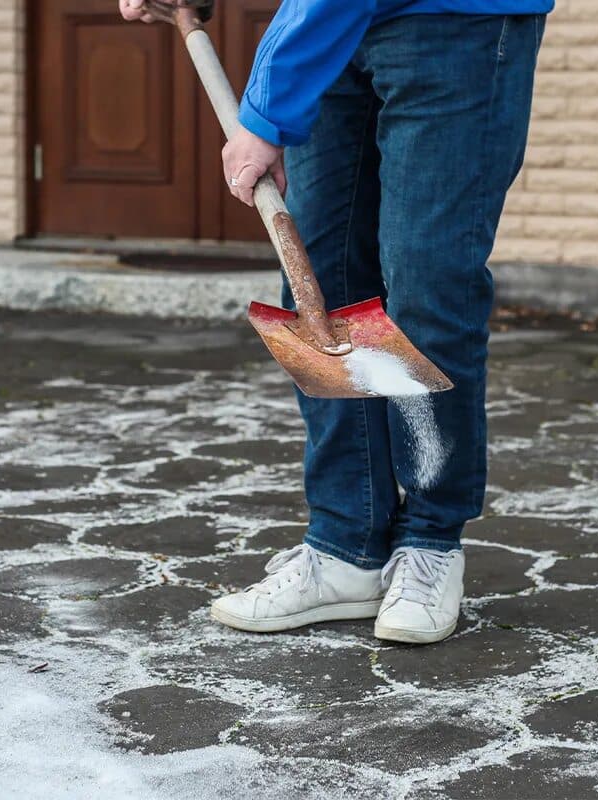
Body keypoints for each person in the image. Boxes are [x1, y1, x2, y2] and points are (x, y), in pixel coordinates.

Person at [120, 0, 550, 644]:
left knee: (426, 284)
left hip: (458, 22)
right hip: (333, 29)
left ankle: (431, 543)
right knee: (318, 285)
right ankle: (347, 545)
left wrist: (265, 118)